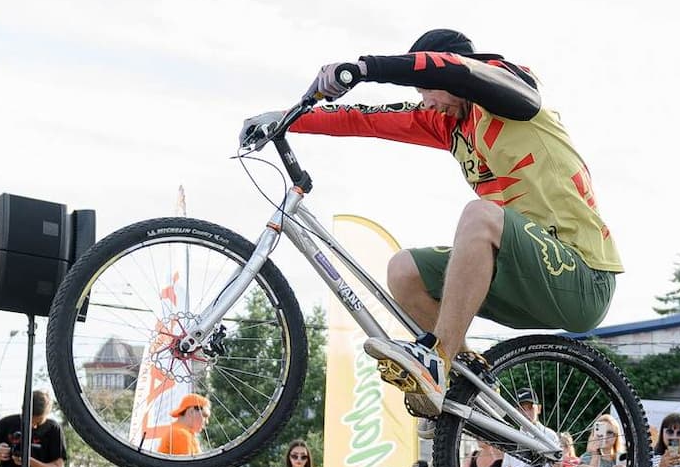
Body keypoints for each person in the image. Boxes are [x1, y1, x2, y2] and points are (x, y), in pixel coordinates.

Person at [261, 31, 623, 420]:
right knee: (404, 270)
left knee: (479, 215)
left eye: (427, 89)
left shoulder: (511, 90)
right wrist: (283, 120)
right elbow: (365, 119)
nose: (426, 101)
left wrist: (365, 68)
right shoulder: (449, 124)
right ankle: (470, 389)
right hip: (526, 274)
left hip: (584, 275)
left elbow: (460, 72)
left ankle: (439, 359)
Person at [0, 392, 66, 467]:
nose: (32, 426)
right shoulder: (6, 424)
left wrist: (28, 461)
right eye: (28, 420)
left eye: (38, 423)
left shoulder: (53, 429)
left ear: (47, 414)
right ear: (23, 410)